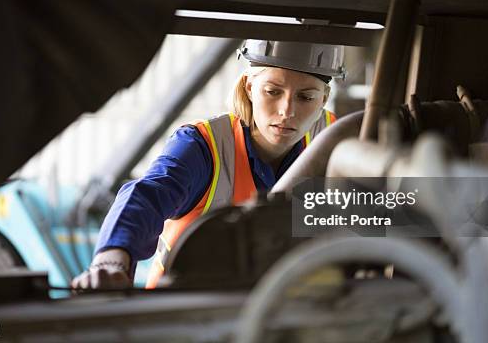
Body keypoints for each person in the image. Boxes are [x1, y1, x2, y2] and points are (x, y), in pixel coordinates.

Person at [71, 39, 345, 289]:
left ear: (323, 99)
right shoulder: (203, 146)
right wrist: (111, 261)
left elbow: (370, 220)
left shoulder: (337, 139)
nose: (287, 110)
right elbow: (146, 197)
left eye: (306, 97)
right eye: (273, 91)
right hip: (185, 314)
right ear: (250, 87)